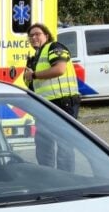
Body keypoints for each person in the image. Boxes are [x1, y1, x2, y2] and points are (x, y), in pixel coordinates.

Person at [22, 22, 80, 171]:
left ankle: (67, 179)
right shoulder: (35, 56)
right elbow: (33, 84)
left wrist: (33, 74)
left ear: (46, 36)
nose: (34, 37)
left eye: (37, 34)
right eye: (31, 36)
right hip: (44, 105)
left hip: (63, 103)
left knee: (64, 145)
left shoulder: (55, 47)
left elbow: (59, 69)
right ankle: (48, 176)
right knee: (43, 144)